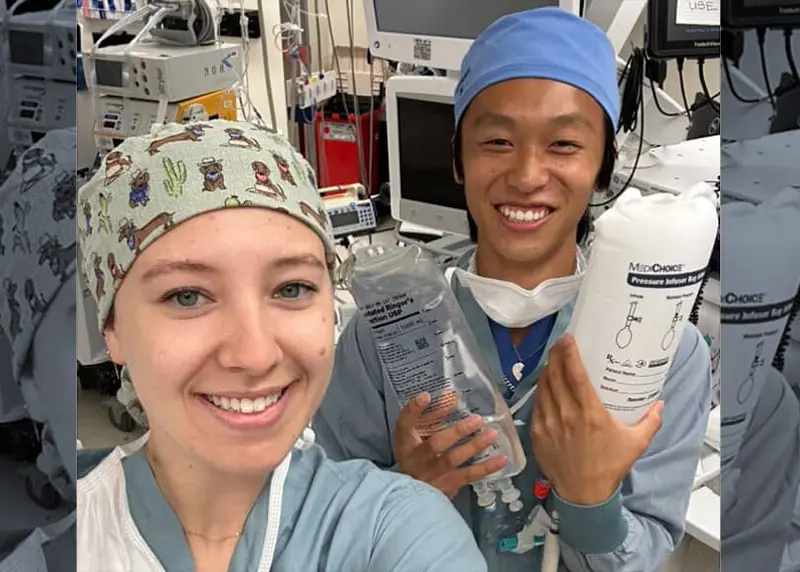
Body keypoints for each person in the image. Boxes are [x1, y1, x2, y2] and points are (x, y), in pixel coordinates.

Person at [314, 8, 712, 572]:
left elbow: (645, 549)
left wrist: (589, 499)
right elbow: (327, 522)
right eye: (497, 141)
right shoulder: (384, 337)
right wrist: (406, 493)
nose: (527, 176)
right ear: (458, 160)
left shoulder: (667, 354)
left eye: (564, 145)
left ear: (604, 167)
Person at [75, 119, 488, 572]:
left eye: (291, 289)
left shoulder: (399, 530)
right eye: (187, 296)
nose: (255, 356)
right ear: (111, 329)